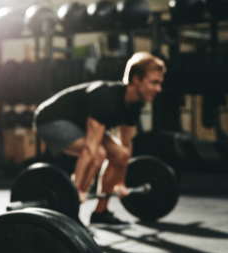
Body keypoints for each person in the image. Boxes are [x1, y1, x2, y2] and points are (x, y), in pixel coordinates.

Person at [33, 52, 166, 228]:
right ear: (136, 79)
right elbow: (90, 149)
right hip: (51, 119)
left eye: (160, 83)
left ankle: (100, 213)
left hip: (79, 124)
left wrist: (121, 182)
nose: (159, 89)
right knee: (98, 154)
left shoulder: (135, 105)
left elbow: (125, 147)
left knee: (120, 153)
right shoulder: (106, 99)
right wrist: (76, 192)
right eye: (154, 82)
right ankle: (70, 213)